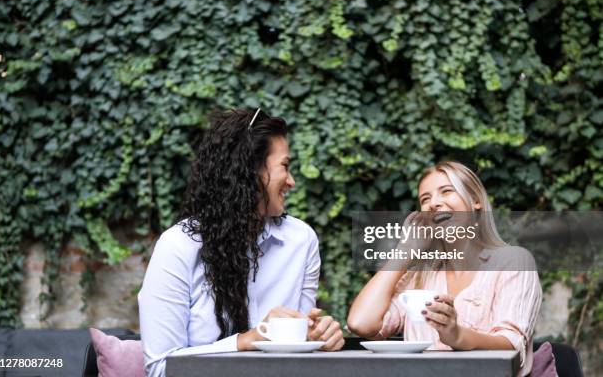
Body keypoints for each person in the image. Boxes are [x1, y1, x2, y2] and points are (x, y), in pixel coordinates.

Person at [138, 109, 344, 377]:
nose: (291, 181)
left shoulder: (301, 241)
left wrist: (319, 338)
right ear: (251, 170)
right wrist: (244, 342)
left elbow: (298, 349)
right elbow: (161, 367)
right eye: (284, 166)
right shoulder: (178, 246)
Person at [347, 161, 542, 377]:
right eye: (425, 199)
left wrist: (456, 335)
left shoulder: (513, 261)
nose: (434, 204)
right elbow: (361, 323)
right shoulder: (419, 277)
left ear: (476, 201)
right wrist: (405, 251)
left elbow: (512, 347)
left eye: (447, 191)